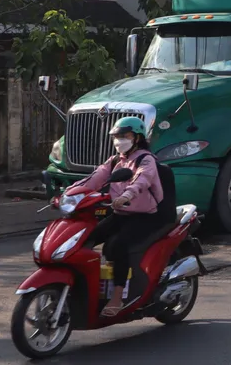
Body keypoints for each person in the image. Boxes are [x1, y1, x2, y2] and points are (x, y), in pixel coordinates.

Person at [66, 116, 165, 317]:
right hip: (120, 213)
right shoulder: (114, 162)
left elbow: (142, 179)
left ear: (137, 137)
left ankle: (117, 296)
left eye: (124, 136)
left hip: (145, 216)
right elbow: (93, 179)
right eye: (116, 137)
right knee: (84, 236)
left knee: (117, 245)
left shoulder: (146, 159)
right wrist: (67, 194)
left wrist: (127, 194)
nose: (119, 141)